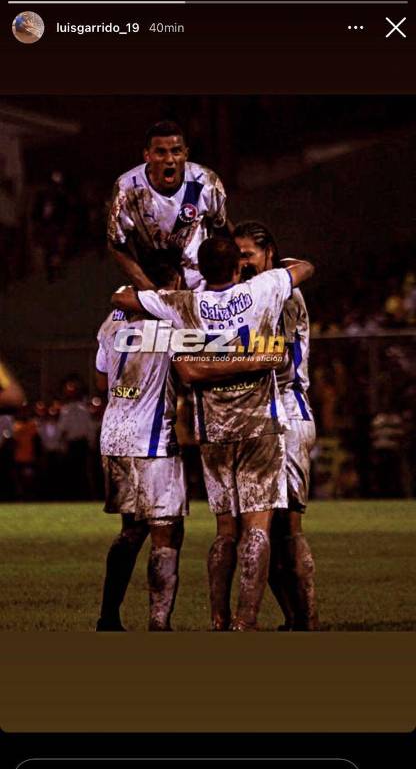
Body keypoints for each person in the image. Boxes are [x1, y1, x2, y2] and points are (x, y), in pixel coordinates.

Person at [112, 237, 314, 631]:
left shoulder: (184, 302)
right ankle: (246, 620)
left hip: (212, 430)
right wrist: (253, 359)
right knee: (257, 529)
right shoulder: (262, 288)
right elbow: (305, 268)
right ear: (238, 267)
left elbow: (122, 297)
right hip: (260, 425)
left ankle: (218, 618)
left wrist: (157, 294)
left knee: (224, 531)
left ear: (200, 271)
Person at [234, 221, 319, 631]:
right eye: (237, 256)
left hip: (287, 413)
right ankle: (296, 620)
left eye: (248, 254)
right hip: (273, 415)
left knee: (284, 530)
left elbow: (278, 360)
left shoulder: (279, 295)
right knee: (265, 527)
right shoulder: (262, 291)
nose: (242, 263)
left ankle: (307, 618)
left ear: (269, 253)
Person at [95, 266, 188, 632]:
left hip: (115, 435)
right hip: (153, 442)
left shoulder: (111, 322)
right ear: (171, 282)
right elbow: (194, 371)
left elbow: (102, 374)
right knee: (167, 532)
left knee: (132, 530)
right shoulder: (171, 324)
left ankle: (108, 617)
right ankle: (158, 624)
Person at [107, 119, 231, 292]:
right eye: (160, 152)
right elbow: (116, 245)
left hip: (204, 288)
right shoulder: (127, 190)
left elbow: (222, 227)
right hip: (159, 288)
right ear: (147, 155)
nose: (170, 159)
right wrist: (149, 290)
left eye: (176, 151)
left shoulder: (205, 181)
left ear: (186, 154)